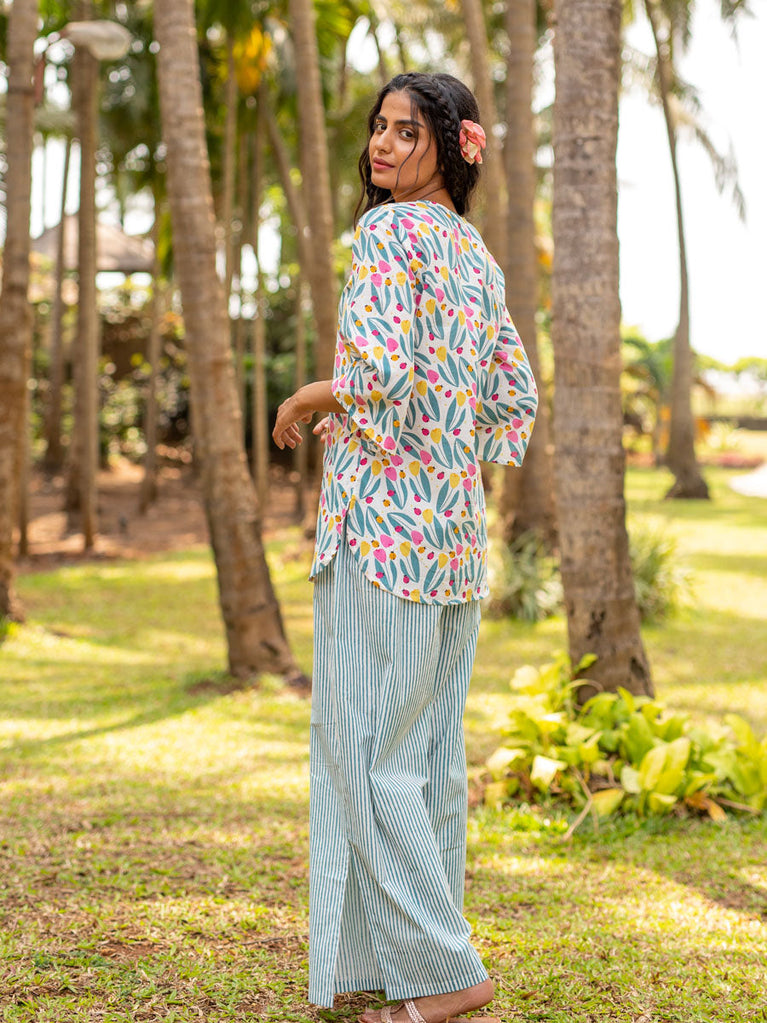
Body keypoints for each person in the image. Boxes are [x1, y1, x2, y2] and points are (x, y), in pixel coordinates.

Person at [273, 71, 538, 1023]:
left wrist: (310, 397)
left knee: (363, 755)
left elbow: (378, 370)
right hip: (450, 538)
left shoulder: (388, 234)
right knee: (421, 757)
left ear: (449, 148)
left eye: (406, 132)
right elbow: (512, 400)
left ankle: (445, 975)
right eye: (379, 128)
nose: (383, 145)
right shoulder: (474, 254)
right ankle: (385, 963)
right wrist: (439, 450)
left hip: (382, 533)